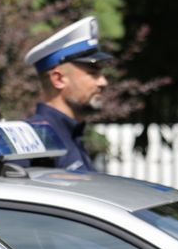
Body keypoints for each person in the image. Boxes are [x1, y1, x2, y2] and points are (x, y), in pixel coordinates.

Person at [24, 16, 112, 172]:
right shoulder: (35, 141)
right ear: (58, 79)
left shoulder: (70, 135)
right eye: (93, 73)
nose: (103, 82)